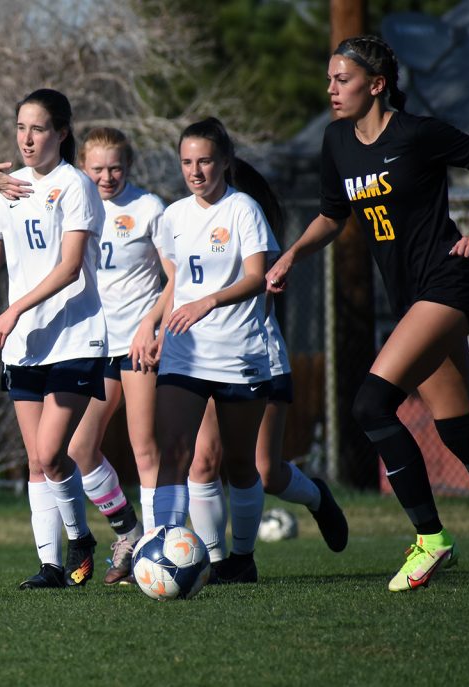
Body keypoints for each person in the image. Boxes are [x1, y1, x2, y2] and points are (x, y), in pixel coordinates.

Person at [266, 35, 469, 593]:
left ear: (377, 84)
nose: (331, 89)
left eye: (343, 80)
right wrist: (292, 253)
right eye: (330, 78)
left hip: (448, 283)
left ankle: (430, 539)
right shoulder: (337, 142)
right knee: (462, 435)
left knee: (370, 403)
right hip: (413, 298)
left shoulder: (417, 134)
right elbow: (333, 217)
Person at [0, 88, 106, 589]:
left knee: (53, 453)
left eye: (37, 129)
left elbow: (71, 267)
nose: (26, 139)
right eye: (20, 128)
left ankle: (81, 538)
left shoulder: (75, 186)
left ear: (61, 132)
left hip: (74, 336)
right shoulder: (8, 187)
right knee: (35, 460)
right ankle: (51, 566)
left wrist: (13, 309)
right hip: (26, 342)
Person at [184, 159, 348, 582]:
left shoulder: (252, 229)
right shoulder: (191, 225)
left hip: (258, 359)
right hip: (207, 358)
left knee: (265, 470)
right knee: (203, 460)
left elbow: (265, 282)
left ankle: (316, 499)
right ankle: (222, 564)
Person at [148, 117, 278, 583]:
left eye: (204, 160)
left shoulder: (243, 209)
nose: (195, 170)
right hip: (185, 352)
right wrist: (154, 324)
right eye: (186, 161)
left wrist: (210, 301)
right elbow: (174, 282)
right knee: (177, 452)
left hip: (239, 354)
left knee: (240, 463)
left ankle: (241, 559)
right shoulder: (174, 217)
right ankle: (164, 553)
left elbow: (256, 276)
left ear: (225, 161)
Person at [67, 127, 172, 584]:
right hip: (95, 347)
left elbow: (176, 280)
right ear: (82, 168)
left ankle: (155, 554)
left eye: (115, 168)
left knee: (144, 448)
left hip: (138, 346)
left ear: (128, 167)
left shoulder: (148, 208)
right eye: (97, 169)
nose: (106, 177)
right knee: (79, 448)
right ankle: (128, 532)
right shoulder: (75, 207)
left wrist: (153, 326)